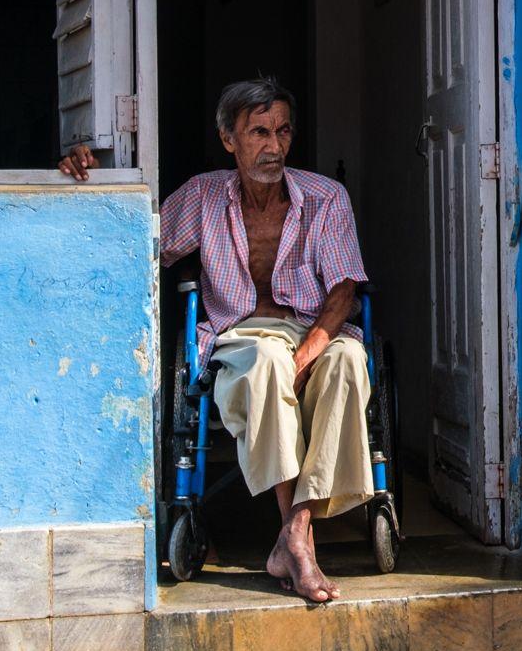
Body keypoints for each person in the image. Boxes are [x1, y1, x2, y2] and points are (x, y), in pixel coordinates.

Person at [62, 78, 369, 604]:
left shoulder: (325, 197)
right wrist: (85, 182)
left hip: (317, 328)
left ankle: (294, 535)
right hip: (241, 335)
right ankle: (299, 543)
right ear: (229, 139)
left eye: (282, 131)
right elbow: (135, 243)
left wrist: (308, 351)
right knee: (268, 361)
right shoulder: (204, 197)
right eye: (258, 133)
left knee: (349, 362)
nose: (273, 147)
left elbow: (344, 293)